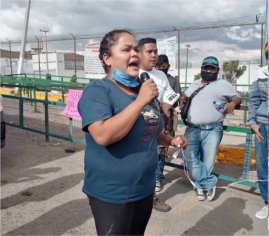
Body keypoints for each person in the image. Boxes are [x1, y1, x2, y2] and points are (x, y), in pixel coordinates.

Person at [77, 29, 187, 235]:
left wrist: (171, 140)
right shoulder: (97, 91)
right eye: (126, 49)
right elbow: (103, 135)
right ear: (107, 58)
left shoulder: (142, 91)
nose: (135, 54)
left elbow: (149, 130)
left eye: (136, 49)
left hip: (144, 189)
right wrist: (140, 102)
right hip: (112, 193)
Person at [180, 56, 241, 201]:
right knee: (189, 158)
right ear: (201, 68)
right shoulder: (195, 83)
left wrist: (233, 104)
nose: (208, 70)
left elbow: (237, 97)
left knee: (208, 161)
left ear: (217, 70)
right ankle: (209, 182)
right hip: (192, 128)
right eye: (206, 67)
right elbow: (186, 96)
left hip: (213, 129)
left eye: (212, 68)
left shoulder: (223, 84)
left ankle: (200, 187)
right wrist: (183, 99)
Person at [138, 38, 179, 212]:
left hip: (156, 129)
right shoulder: (132, 72)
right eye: (149, 51)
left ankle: (151, 198)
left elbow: (170, 96)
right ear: (139, 53)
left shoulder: (161, 75)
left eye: (155, 51)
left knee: (151, 164)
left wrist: (165, 109)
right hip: (135, 129)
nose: (153, 55)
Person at [248, 65, 269, 218]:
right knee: (262, 165)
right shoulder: (261, 74)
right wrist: (252, 122)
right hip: (262, 126)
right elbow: (254, 100)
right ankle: (268, 203)